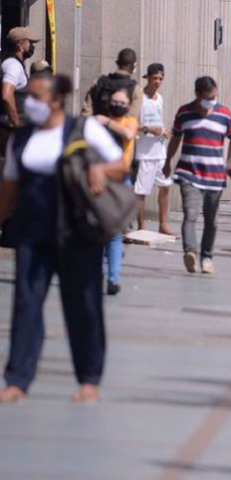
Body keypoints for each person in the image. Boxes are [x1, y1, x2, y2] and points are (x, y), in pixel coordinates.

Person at [0, 74, 127, 403]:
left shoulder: (83, 129)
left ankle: (89, 379)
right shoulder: (22, 137)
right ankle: (17, 379)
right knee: (26, 303)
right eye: (28, 97)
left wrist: (100, 170)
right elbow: (10, 187)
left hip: (77, 232)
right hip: (32, 231)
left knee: (83, 304)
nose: (29, 103)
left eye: (36, 97)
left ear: (56, 101)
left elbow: (120, 165)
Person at [165, 76, 231, 274]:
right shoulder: (184, 112)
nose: (212, 101)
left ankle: (207, 256)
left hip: (214, 175)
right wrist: (167, 161)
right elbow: (176, 139)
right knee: (190, 214)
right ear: (198, 95)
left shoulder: (225, 114)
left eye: (214, 97)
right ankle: (190, 252)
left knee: (212, 220)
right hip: (188, 173)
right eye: (208, 98)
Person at [95, 88, 139, 295]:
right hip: (98, 180)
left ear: (128, 106)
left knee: (114, 234)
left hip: (121, 182)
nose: (118, 105)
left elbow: (128, 134)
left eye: (122, 102)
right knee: (96, 232)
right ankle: (96, 275)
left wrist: (105, 122)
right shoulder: (96, 122)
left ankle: (113, 278)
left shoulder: (129, 121)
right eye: (115, 101)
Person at [134, 63, 174, 235]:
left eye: (160, 79)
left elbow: (159, 120)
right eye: (155, 78)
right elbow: (130, 123)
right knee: (141, 190)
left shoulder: (160, 98)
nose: (157, 82)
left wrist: (164, 131)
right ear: (147, 78)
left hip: (159, 149)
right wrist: (147, 129)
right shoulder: (139, 98)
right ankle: (141, 225)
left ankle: (163, 224)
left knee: (165, 186)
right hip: (144, 151)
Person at [0, 28, 40, 177]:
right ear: (20, 44)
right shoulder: (13, 65)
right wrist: (15, 122)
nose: (31, 46)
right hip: (8, 131)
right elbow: (6, 94)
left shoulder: (13, 64)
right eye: (29, 42)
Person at [82, 48, 143, 118]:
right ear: (134, 66)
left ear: (117, 62)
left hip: (97, 126)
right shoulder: (136, 89)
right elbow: (130, 118)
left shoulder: (98, 82)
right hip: (120, 128)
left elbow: (86, 113)